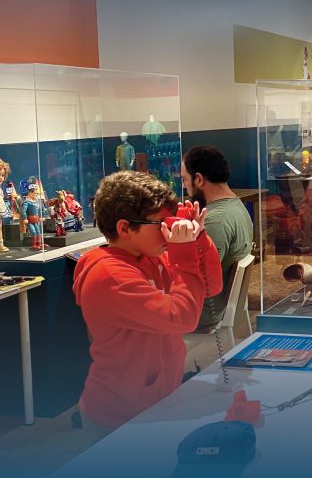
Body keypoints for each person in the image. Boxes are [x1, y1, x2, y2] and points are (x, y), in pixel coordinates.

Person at [73, 171, 221, 437]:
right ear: (125, 228)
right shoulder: (110, 276)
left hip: (156, 402)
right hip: (119, 416)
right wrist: (183, 250)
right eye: (161, 223)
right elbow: (182, 317)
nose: (168, 231)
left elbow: (211, 285)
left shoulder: (148, 256)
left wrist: (197, 238)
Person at [181, 146, 255, 333]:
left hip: (205, 313)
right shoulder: (237, 206)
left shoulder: (215, 221)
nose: (184, 186)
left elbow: (200, 277)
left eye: (184, 179)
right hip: (222, 304)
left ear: (198, 179)